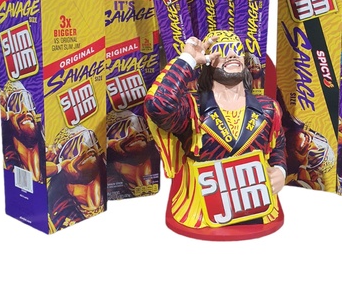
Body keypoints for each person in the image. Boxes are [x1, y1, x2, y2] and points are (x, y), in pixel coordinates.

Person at [144, 30, 286, 234]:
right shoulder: (192, 109)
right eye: (223, 50)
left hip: (259, 207)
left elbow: (277, 147)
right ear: (209, 62)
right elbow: (158, 105)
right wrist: (188, 60)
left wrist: (279, 171)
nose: (232, 54)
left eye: (236, 49)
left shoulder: (269, 108)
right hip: (200, 211)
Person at [45, 125, 107, 232]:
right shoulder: (59, 218)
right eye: (73, 150)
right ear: (62, 166)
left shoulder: (115, 190)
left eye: (89, 141)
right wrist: (56, 167)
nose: (85, 148)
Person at [106, 110, 160, 199]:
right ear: (109, 143)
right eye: (122, 131)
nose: (134, 132)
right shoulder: (109, 186)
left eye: (139, 125)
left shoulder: (163, 162)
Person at [0, 80, 45, 183]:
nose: (25, 109)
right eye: (15, 105)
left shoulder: (50, 162)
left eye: (28, 102)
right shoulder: (7, 166)